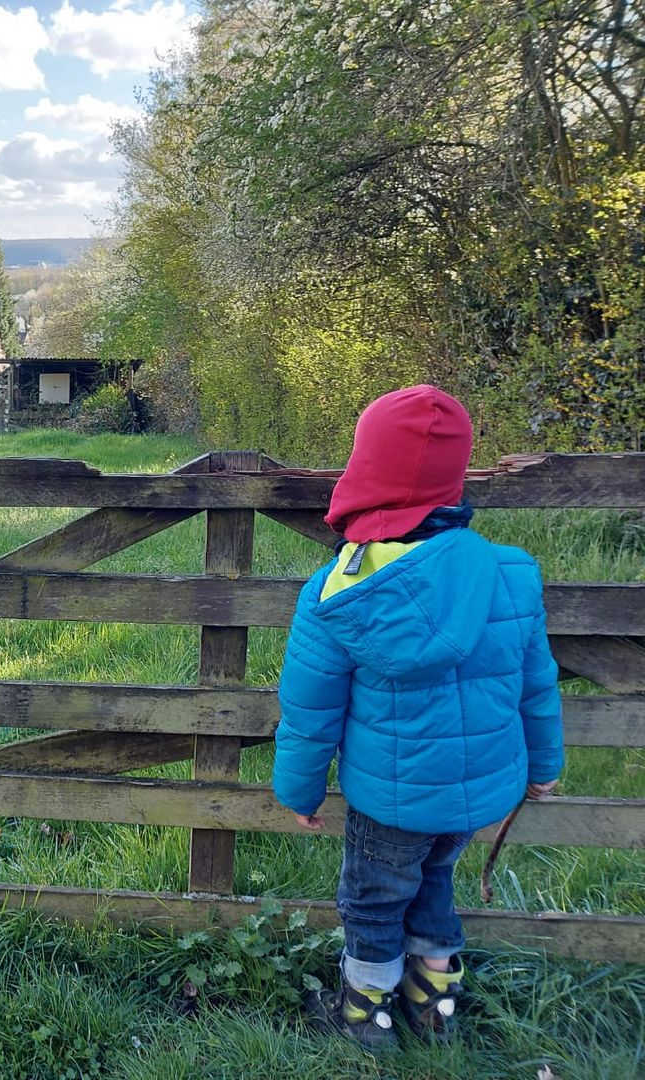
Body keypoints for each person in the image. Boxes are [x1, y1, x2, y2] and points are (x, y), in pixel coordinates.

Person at [271, 385, 563, 1050]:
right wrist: (544, 769)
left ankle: (364, 1014)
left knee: (373, 899)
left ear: (365, 471)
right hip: (476, 795)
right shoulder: (510, 573)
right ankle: (437, 1000)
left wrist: (299, 790)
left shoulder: (336, 592)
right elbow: (537, 687)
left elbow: (310, 710)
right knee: (435, 879)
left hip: (389, 800)